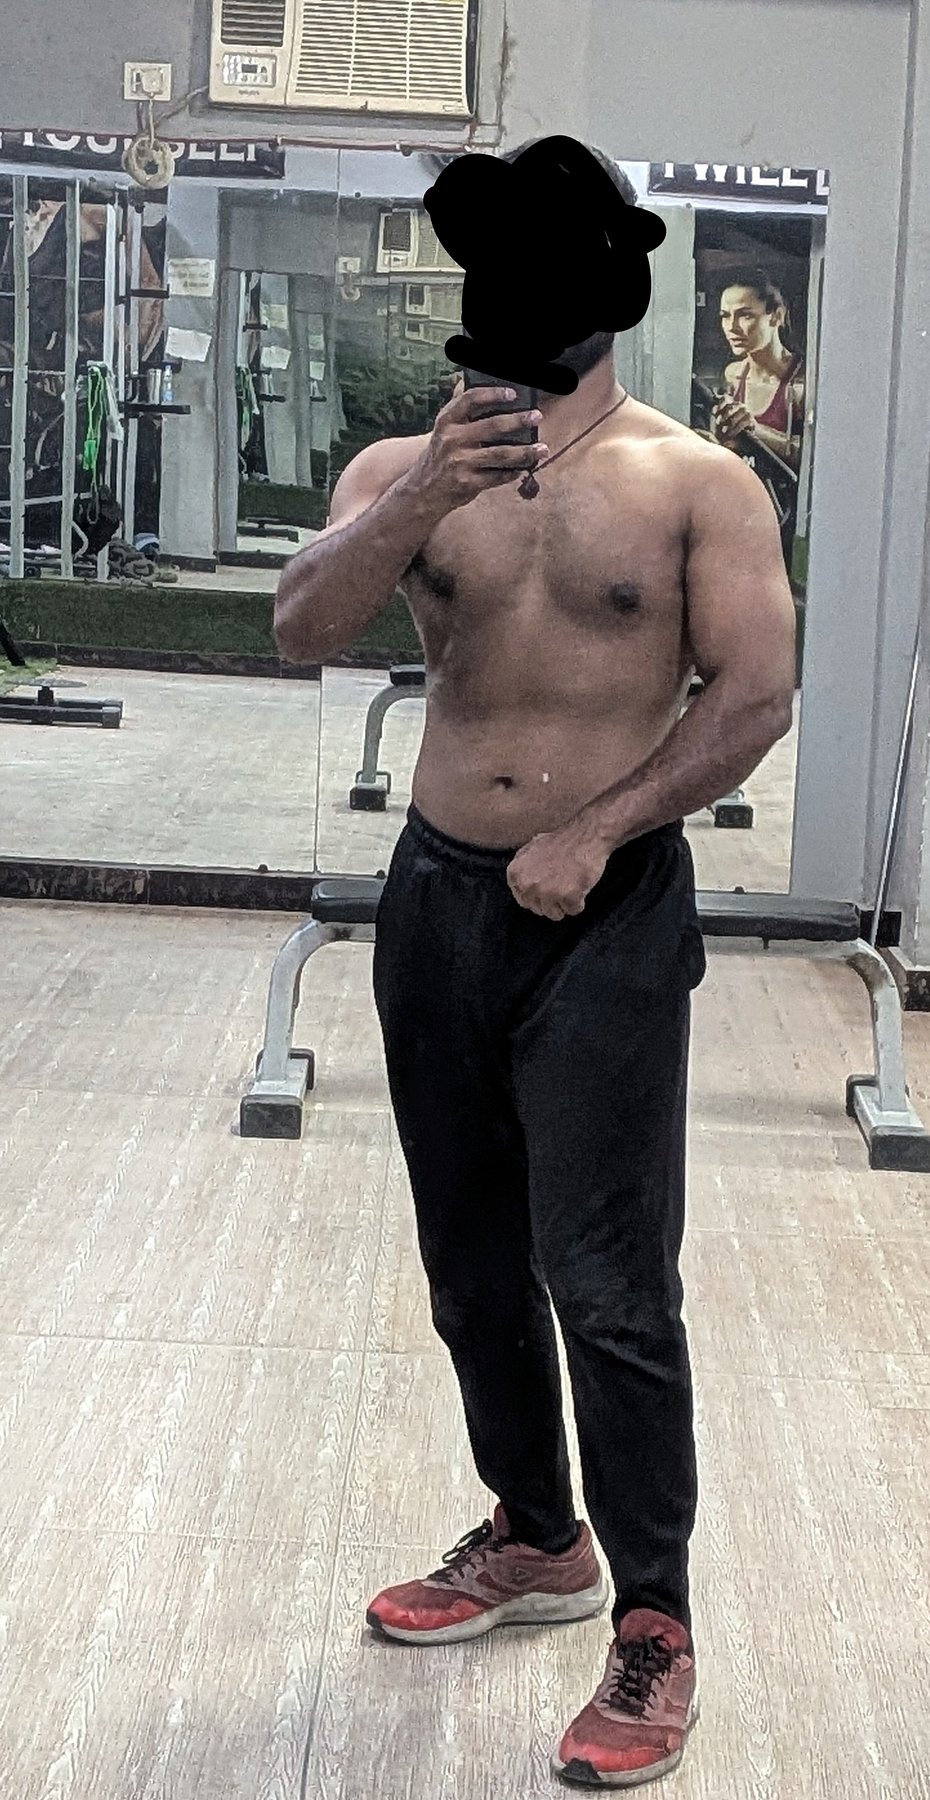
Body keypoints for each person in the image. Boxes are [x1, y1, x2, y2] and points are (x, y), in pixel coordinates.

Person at [275, 143, 796, 1790]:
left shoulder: (696, 483)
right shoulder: (400, 469)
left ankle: (654, 1621)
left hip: (607, 910)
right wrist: (419, 496)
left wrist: (602, 827)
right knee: (469, 1271)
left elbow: (754, 696)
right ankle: (535, 1534)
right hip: (437, 901)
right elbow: (300, 631)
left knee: (609, 1281)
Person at [710, 271, 805, 475]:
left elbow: (815, 455)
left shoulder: (802, 382)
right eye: (725, 316)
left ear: (777, 316)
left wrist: (754, 430)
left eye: (745, 315)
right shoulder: (733, 375)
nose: (731, 327)